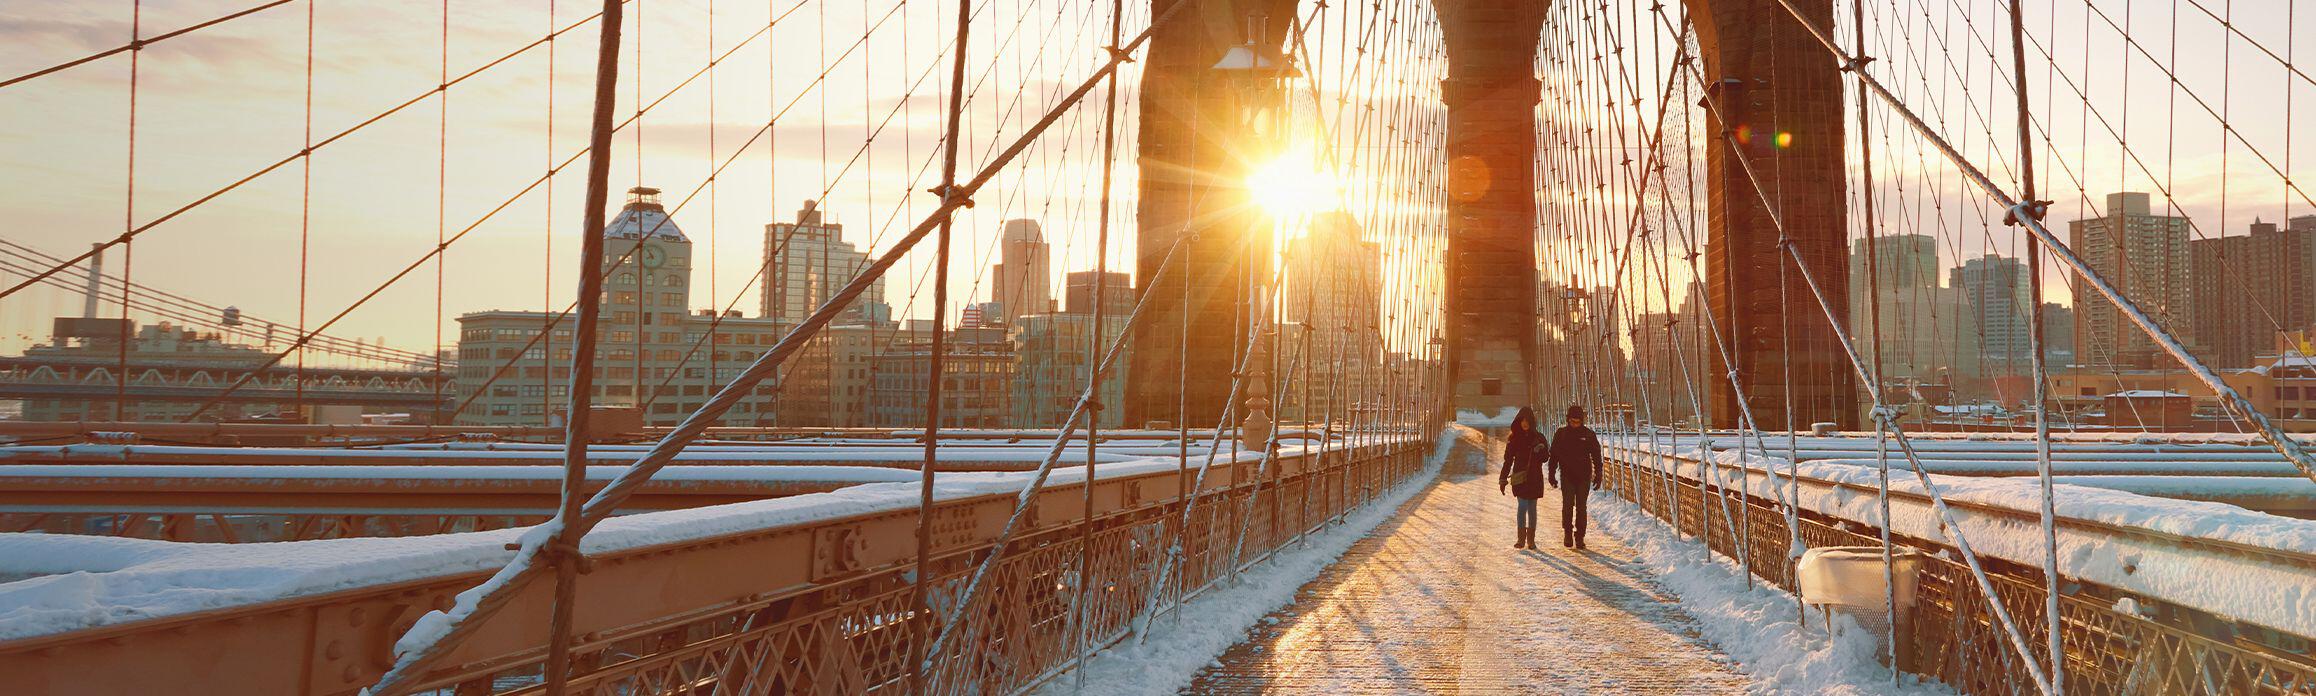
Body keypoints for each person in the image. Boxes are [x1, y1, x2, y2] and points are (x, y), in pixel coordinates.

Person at [1547, 404, 1603, 549]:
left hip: (1584, 476)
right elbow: (1554, 455)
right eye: (1572, 422)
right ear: (1568, 420)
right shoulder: (1561, 434)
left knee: (1581, 507)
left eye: (1578, 422)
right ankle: (1567, 531)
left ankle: (1580, 536)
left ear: (1582, 421)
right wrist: (1551, 473)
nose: (1575, 425)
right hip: (1567, 475)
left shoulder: (1588, 435)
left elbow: (1596, 454)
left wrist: (1599, 473)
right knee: (1567, 505)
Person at [1496, 406, 1549, 549]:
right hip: (1520, 477)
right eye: (1522, 421)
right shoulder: (1514, 439)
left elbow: (1545, 458)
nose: (1524, 423)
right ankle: (1521, 539)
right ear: (1518, 422)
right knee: (1522, 506)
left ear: (1531, 422)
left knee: (1532, 508)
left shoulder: (1539, 437)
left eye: (1527, 421)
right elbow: (1508, 460)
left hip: (1535, 478)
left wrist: (1540, 449)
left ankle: (1531, 540)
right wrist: (1503, 478)